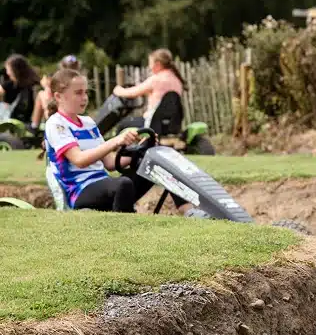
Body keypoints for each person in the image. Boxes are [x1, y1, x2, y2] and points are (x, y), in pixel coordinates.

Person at [45, 68, 194, 214]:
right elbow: (79, 160)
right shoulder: (56, 124)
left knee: (155, 164)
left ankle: (188, 211)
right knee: (123, 184)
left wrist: (142, 149)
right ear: (58, 97)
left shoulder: (88, 123)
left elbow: (110, 163)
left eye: (85, 92)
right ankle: (124, 225)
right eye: (78, 93)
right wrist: (115, 141)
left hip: (104, 185)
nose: (84, 98)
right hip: (80, 191)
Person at [113, 48, 185, 128]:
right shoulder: (177, 79)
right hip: (172, 125)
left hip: (153, 123)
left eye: (150, 63)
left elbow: (132, 93)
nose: (149, 67)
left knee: (122, 125)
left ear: (157, 64)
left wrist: (118, 90)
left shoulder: (156, 79)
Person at [1, 54, 41, 124]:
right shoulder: (12, 84)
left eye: (8, 70)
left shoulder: (34, 87)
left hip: (28, 123)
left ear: (16, 70)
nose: (7, 73)